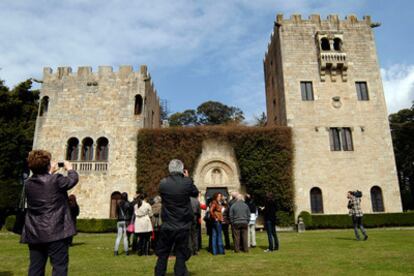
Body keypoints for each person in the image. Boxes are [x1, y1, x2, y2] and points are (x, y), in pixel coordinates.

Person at [21, 150, 79, 276]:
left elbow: (43, 183)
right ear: (47, 165)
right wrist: (70, 169)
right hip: (56, 231)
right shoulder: (56, 180)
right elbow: (72, 180)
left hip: (35, 231)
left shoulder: (28, 184)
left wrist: (49, 172)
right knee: (59, 267)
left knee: (35, 268)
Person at [155, 159, 199, 276]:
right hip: (183, 225)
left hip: (168, 224)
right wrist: (188, 178)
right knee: (180, 254)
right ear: (182, 169)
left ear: (170, 169)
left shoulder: (163, 183)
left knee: (163, 254)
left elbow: (162, 194)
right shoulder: (187, 182)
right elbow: (195, 193)